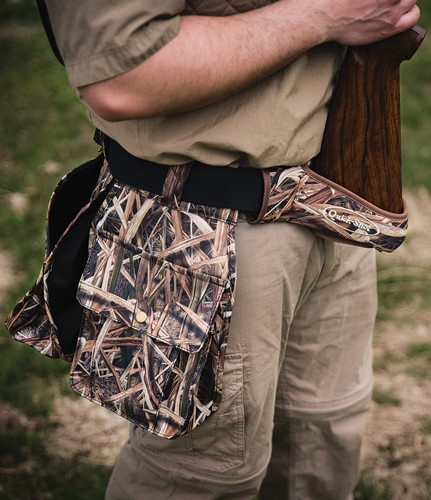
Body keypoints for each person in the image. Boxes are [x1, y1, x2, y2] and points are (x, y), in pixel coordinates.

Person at [40, 1, 420, 499]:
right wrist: (324, 15)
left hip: (334, 202)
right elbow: (122, 75)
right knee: (204, 473)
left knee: (320, 442)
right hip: (207, 234)